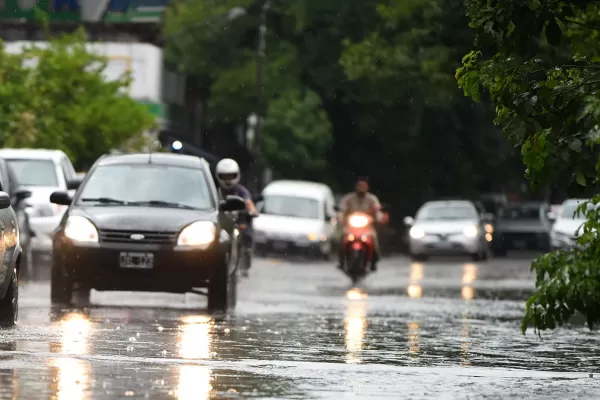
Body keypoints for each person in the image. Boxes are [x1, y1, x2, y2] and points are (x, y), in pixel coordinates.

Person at [337, 177, 385, 271]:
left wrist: (378, 217)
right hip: (351, 227)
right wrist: (340, 217)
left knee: (374, 239)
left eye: (364, 186)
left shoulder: (372, 199)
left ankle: (374, 260)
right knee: (342, 238)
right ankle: (341, 260)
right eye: (360, 186)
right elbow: (342, 210)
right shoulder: (348, 198)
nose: (361, 188)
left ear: (367, 187)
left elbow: (377, 210)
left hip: (366, 227)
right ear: (356, 186)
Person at [215, 158, 258, 258]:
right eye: (224, 176)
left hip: (239, 219)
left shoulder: (241, 191)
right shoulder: (215, 190)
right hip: (221, 220)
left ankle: (246, 253)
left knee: (247, 233)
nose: (228, 180)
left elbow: (248, 202)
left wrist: (251, 211)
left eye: (230, 176)